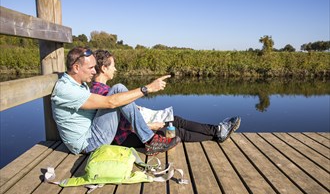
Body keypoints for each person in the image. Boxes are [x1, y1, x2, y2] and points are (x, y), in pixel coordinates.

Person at [90, 49, 241, 148]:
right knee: (175, 131)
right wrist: (152, 125)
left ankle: (217, 130)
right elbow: (123, 126)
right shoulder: (102, 94)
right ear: (104, 68)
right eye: (113, 66)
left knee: (175, 120)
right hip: (126, 138)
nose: (115, 69)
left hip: (134, 128)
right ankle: (216, 133)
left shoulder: (103, 90)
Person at [51, 47, 181, 156]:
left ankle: (150, 139)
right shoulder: (66, 89)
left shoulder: (78, 84)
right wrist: (148, 88)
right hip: (88, 144)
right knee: (118, 89)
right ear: (76, 67)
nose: (94, 71)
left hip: (92, 134)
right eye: (90, 67)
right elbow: (110, 102)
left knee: (119, 89)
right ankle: (150, 140)